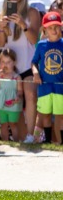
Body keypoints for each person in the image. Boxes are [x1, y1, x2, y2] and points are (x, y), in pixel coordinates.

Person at [0, 0, 41, 143]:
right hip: (10, 66)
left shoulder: (32, 13)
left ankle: (30, 135)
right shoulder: (1, 15)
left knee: (30, 95)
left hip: (28, 64)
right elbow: (1, 44)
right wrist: (1, 29)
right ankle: (20, 136)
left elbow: (34, 39)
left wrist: (23, 24)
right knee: (15, 100)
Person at [31, 11, 63, 144]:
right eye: (50, 27)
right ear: (45, 29)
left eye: (56, 26)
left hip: (60, 86)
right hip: (44, 86)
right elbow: (34, 62)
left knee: (60, 115)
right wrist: (36, 73)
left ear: (61, 27)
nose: (54, 30)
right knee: (45, 114)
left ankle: (60, 143)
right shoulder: (41, 44)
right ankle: (48, 141)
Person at [0, 48, 23, 142]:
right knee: (3, 124)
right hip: (1, 104)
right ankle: (5, 142)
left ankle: (16, 141)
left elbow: (20, 91)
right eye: (3, 62)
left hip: (14, 104)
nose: (5, 64)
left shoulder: (17, 77)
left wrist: (18, 97)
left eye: (8, 62)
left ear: (14, 62)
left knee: (13, 124)